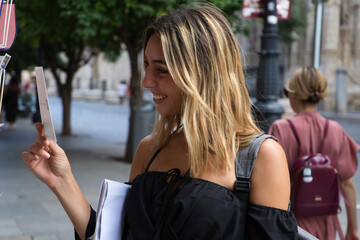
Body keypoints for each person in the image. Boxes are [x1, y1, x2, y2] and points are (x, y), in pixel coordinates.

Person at [22, 4, 299, 240]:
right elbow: (113, 235)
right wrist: (62, 181)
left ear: (202, 74)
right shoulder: (149, 149)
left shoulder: (260, 158)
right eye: (146, 65)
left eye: (161, 70)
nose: (146, 82)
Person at [269, 66, 360, 240]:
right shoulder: (335, 130)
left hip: (291, 221)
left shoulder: (280, 129)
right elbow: (347, 184)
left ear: (294, 95)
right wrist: (353, 229)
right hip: (326, 222)